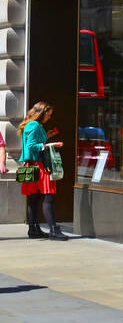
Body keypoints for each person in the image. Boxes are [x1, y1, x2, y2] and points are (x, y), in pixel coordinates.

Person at [18, 102, 68, 240]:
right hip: (39, 166)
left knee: (34, 199)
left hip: (34, 165)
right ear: (42, 112)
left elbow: (33, 142)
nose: (50, 117)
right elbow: (31, 145)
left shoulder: (34, 125)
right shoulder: (33, 125)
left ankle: (33, 229)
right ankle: (53, 229)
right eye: (49, 114)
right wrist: (49, 144)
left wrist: (47, 135)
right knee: (48, 197)